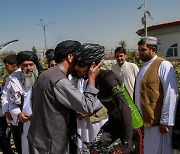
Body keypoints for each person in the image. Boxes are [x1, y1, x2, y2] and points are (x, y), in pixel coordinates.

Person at [27, 40, 103, 154]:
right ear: (70, 57)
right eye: (78, 57)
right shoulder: (60, 81)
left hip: (39, 141)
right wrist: (91, 79)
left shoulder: (46, 74)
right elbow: (87, 107)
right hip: (50, 145)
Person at [73, 43, 143, 154]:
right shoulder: (92, 80)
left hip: (132, 126)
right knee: (95, 149)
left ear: (93, 65)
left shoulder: (109, 79)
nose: (76, 67)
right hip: (115, 123)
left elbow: (125, 109)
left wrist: (128, 143)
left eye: (80, 64)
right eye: (76, 64)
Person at [135, 36, 178, 154]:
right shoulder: (143, 67)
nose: (140, 53)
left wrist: (166, 121)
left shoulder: (163, 65)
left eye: (143, 50)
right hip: (146, 121)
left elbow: (171, 93)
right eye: (139, 50)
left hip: (159, 123)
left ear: (153, 49)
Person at [8, 51, 43, 154]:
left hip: (41, 123)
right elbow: (11, 101)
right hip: (25, 124)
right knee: (26, 149)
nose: (28, 68)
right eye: (25, 65)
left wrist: (36, 114)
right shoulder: (15, 79)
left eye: (31, 64)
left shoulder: (43, 78)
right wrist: (18, 114)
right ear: (20, 66)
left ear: (35, 65)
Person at [69, 76, 108, 153]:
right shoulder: (74, 79)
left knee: (97, 145)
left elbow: (101, 99)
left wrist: (85, 110)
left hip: (96, 118)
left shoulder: (100, 78)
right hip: (81, 118)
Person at [1, 54, 21, 154]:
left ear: (14, 65)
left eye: (7, 66)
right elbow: (5, 96)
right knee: (18, 144)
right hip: (12, 118)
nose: (6, 69)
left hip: (21, 118)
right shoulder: (10, 78)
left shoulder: (21, 76)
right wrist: (6, 111)